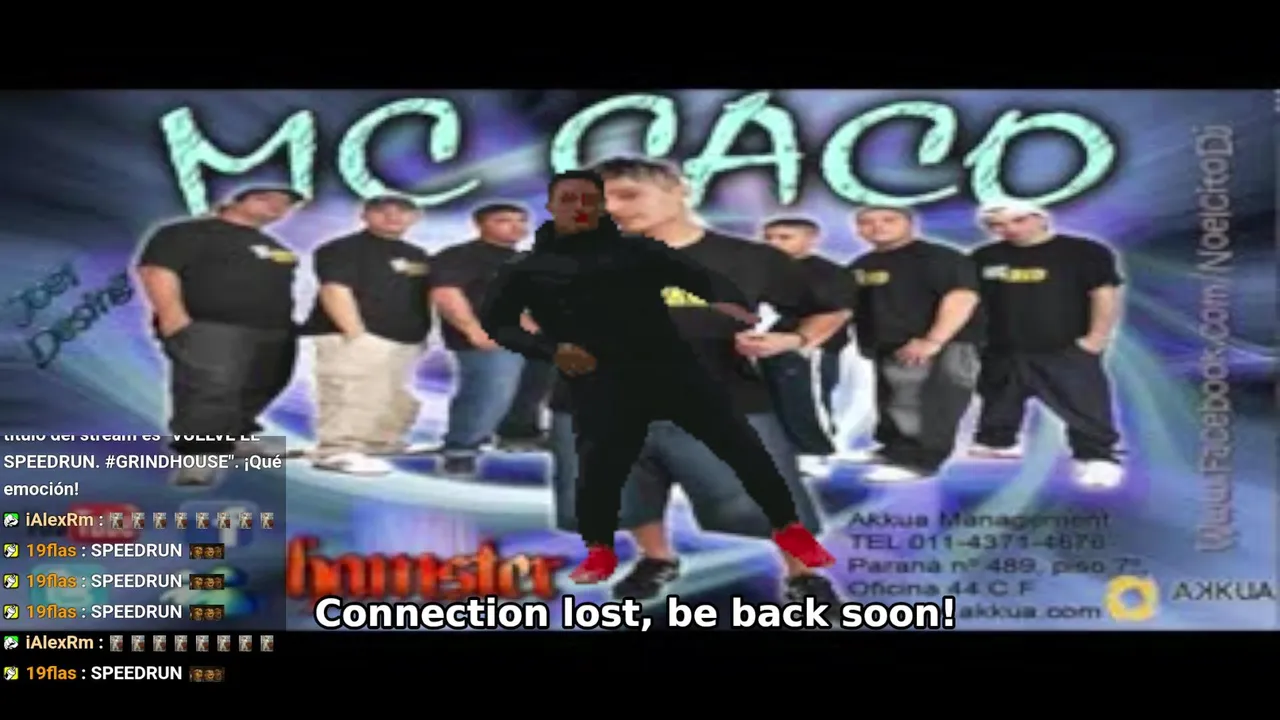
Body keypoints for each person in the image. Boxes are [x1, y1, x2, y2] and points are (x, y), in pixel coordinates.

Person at [482, 168, 837, 585]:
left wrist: (792, 339)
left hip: (722, 399)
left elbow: (826, 308)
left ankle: (803, 576)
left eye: (628, 195)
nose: (613, 208)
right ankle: (656, 558)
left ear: (680, 190)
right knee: (624, 495)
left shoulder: (753, 258)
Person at [136, 186, 304, 486]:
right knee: (209, 390)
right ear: (233, 201)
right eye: (265, 198)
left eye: (284, 204)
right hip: (211, 327)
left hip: (274, 331)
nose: (276, 206)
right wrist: (174, 319)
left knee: (262, 385)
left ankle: (235, 439)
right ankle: (198, 456)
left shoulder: (273, 245)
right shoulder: (186, 232)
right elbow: (156, 271)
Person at [969, 200, 1124, 488]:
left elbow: (1103, 295)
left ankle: (1097, 457)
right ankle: (999, 442)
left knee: (1083, 404)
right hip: (1002, 347)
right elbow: (971, 301)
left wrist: (1097, 338)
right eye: (997, 225)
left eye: (1018, 220)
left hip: (1064, 346)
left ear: (1041, 218)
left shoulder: (1084, 252)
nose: (1009, 229)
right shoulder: (983, 257)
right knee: (999, 395)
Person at [846, 206, 984, 482]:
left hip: (939, 345)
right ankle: (895, 450)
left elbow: (962, 297)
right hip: (890, 345)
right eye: (866, 222)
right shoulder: (862, 264)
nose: (877, 226)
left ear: (910, 223)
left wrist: (933, 340)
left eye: (888, 219)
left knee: (930, 405)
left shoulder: (940, 257)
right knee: (896, 400)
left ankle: (920, 462)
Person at [301, 195, 432, 476]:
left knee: (391, 396)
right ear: (364, 216)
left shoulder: (418, 255)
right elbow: (334, 289)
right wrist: (355, 333)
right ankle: (336, 451)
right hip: (356, 337)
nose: (393, 217)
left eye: (402, 212)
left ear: (415, 218)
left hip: (404, 340)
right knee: (351, 394)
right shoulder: (342, 249)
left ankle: (380, 442)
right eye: (383, 211)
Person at [429, 203, 551, 475]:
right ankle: (460, 450)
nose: (516, 226)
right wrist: (473, 330)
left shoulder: (523, 260)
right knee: (488, 394)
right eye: (503, 220)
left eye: (521, 220)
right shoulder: (460, 255)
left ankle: (518, 435)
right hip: (487, 339)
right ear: (480, 224)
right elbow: (446, 293)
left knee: (531, 390)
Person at [760, 217, 857, 473]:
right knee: (772, 402)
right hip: (764, 346)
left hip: (809, 348)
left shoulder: (830, 273)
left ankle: (816, 452)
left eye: (784, 237)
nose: (773, 243)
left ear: (811, 239)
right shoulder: (760, 270)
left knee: (805, 401)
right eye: (768, 237)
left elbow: (838, 313)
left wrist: (803, 343)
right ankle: (783, 451)